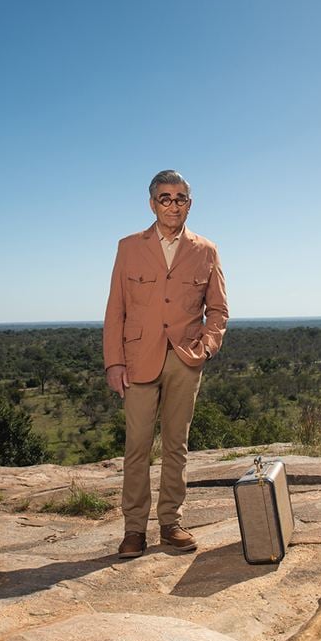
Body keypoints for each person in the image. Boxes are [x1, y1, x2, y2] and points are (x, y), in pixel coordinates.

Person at [103, 169, 229, 559]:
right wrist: (114, 363)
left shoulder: (206, 250)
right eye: (165, 198)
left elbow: (219, 309)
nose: (173, 205)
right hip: (139, 360)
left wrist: (207, 347)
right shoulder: (129, 247)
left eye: (180, 198)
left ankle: (171, 523)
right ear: (152, 203)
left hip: (186, 359)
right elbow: (116, 310)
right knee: (137, 447)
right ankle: (133, 530)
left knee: (177, 445)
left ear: (190, 204)